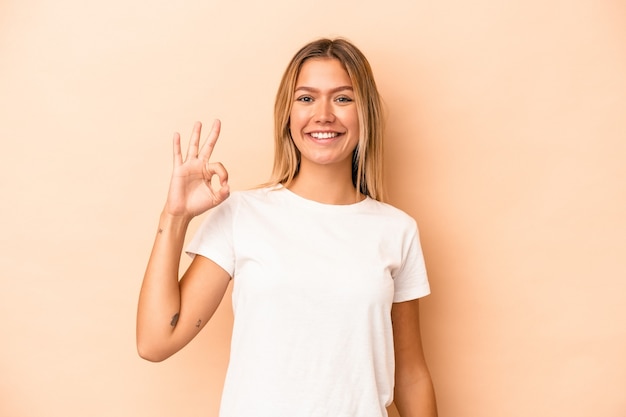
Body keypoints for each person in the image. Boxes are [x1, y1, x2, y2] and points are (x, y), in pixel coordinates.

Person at [137, 38, 437, 417]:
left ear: (366, 114)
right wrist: (175, 216)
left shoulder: (397, 231)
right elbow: (154, 341)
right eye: (306, 98)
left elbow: (410, 375)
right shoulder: (241, 214)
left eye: (343, 98)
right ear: (287, 114)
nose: (323, 114)